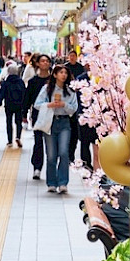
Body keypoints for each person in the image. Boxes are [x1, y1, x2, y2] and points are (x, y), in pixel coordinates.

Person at [34, 64, 78, 194]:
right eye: (61, 72)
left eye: (65, 73)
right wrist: (50, 105)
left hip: (64, 123)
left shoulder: (70, 91)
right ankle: (51, 183)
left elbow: (74, 108)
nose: (63, 75)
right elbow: (37, 104)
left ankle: (63, 183)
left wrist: (64, 105)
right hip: (50, 122)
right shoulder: (47, 89)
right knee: (51, 155)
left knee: (64, 152)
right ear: (54, 75)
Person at [22, 54, 51, 180]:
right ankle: (37, 168)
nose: (45, 63)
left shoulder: (54, 81)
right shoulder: (33, 81)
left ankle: (51, 169)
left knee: (50, 144)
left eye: (47, 61)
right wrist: (24, 115)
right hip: (37, 115)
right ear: (38, 64)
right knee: (38, 142)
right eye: (42, 61)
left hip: (52, 116)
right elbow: (27, 99)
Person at [0, 63, 26, 147]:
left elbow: (1, 94)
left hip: (9, 104)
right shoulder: (20, 81)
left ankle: (9, 141)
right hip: (19, 104)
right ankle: (18, 137)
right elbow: (24, 93)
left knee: (9, 122)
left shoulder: (6, 82)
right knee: (18, 122)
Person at [65, 50, 87, 160]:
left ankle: (71, 155)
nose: (72, 58)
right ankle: (68, 154)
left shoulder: (80, 68)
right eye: (71, 56)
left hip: (79, 100)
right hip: (67, 100)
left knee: (75, 132)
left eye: (74, 56)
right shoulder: (65, 68)